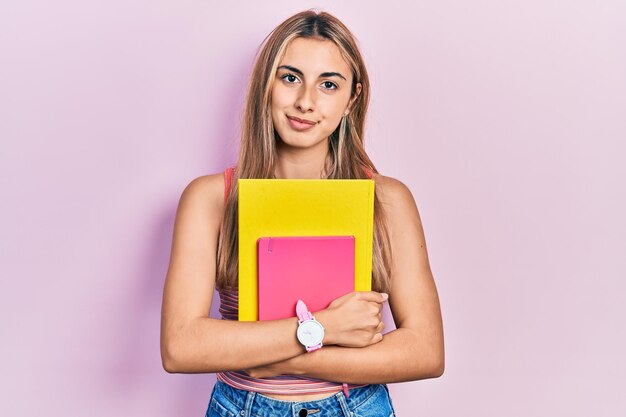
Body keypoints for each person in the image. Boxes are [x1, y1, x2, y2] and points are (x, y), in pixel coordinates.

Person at [160, 9, 444, 417]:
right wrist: (324, 330)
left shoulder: (387, 200)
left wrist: (268, 356)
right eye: (290, 77)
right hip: (242, 407)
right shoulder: (210, 199)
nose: (306, 102)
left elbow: (425, 351)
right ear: (266, 86)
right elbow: (181, 345)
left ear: (352, 99)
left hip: (356, 406)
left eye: (329, 84)